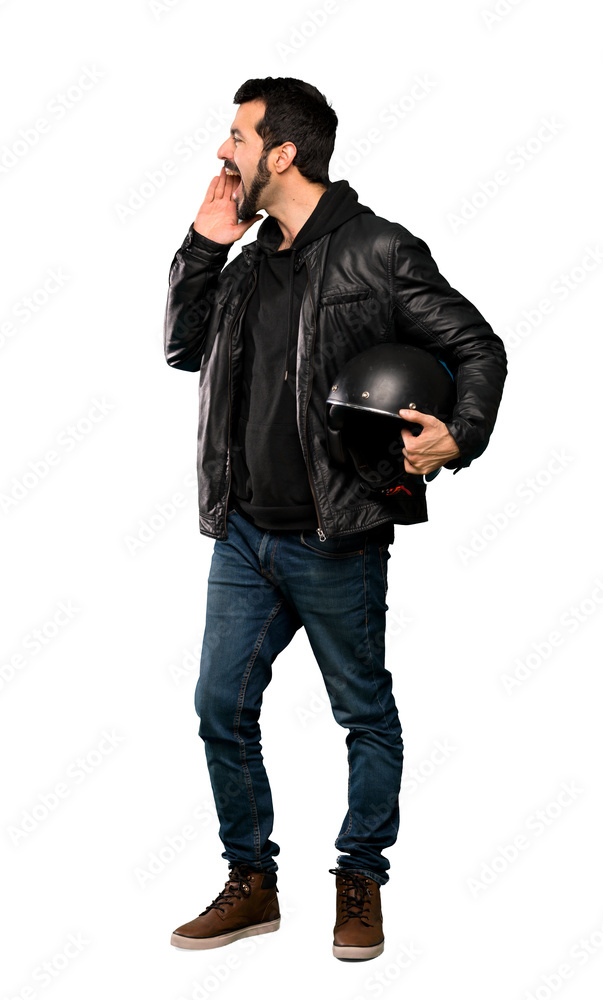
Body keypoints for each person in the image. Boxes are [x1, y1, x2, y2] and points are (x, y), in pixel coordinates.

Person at [163, 76, 507, 961]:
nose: (223, 152)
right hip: (243, 533)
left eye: (238, 137)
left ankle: (360, 876)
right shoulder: (244, 264)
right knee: (219, 707)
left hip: (336, 535)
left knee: (362, 712)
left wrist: (458, 435)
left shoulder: (377, 249)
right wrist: (203, 245)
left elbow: (475, 345)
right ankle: (251, 882)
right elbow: (181, 348)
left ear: (282, 154)